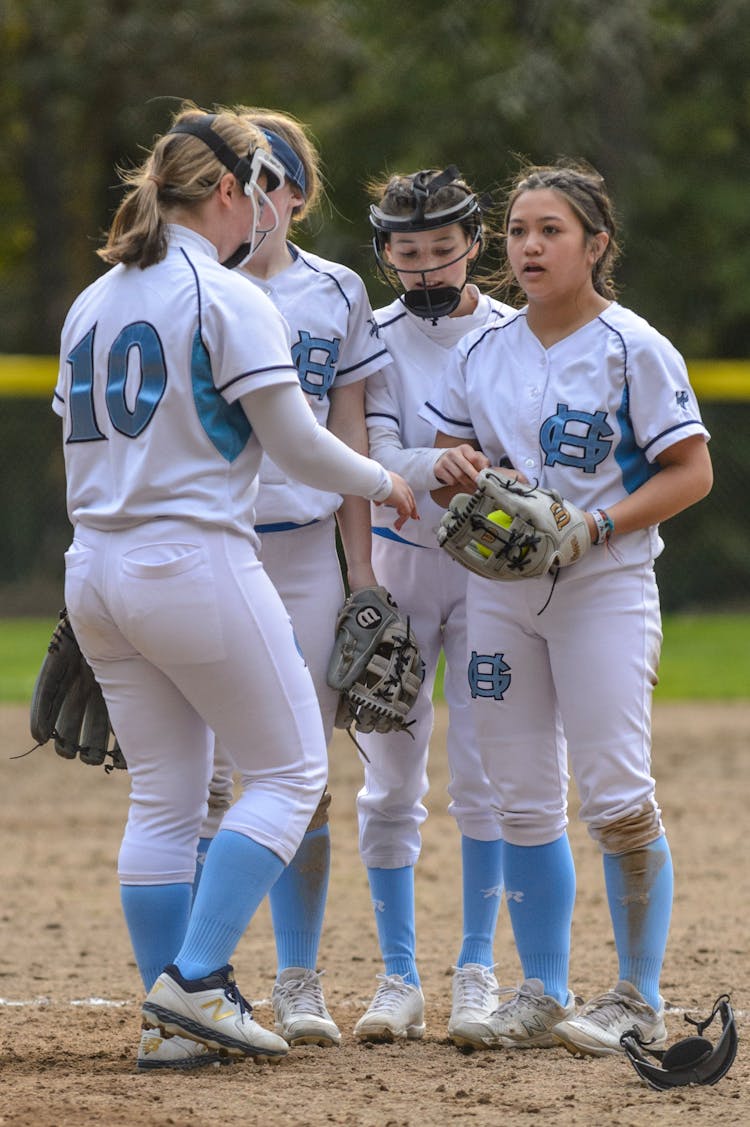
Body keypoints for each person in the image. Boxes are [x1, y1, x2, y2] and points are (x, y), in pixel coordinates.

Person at [54, 103, 416, 1071]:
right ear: (228, 191)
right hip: (193, 556)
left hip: (95, 563)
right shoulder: (226, 292)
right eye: (258, 190)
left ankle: (167, 1021)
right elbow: (296, 441)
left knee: (168, 798)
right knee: (293, 771)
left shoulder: (95, 299)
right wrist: (391, 483)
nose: (265, 212)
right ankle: (197, 980)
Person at [421, 159, 713, 1054]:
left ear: (596, 243)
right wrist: (457, 468)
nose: (530, 245)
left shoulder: (635, 347)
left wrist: (596, 525)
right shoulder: (481, 349)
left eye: (551, 230)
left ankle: (637, 993)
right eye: (518, 231)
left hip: (603, 588)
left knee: (618, 793)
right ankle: (544, 986)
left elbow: (691, 470)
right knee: (520, 798)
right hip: (501, 595)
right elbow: (445, 453)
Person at [192, 108, 396, 1052]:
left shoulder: (337, 290)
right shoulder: (191, 284)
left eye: (273, 177)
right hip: (212, 548)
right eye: (245, 175)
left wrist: (364, 573)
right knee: (207, 781)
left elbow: (348, 434)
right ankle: (198, 973)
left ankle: (298, 976)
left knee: (303, 775)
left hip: (306, 552)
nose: (256, 193)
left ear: (298, 196)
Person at [351, 167, 516, 1048]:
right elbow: (370, 444)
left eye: (441, 252)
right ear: (384, 256)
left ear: (473, 243)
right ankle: (398, 975)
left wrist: (479, 467)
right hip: (401, 567)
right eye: (407, 256)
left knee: (484, 779)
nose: (425, 271)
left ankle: (477, 973)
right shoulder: (370, 334)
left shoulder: (515, 332)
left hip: (491, 574)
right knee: (389, 783)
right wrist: (432, 465)